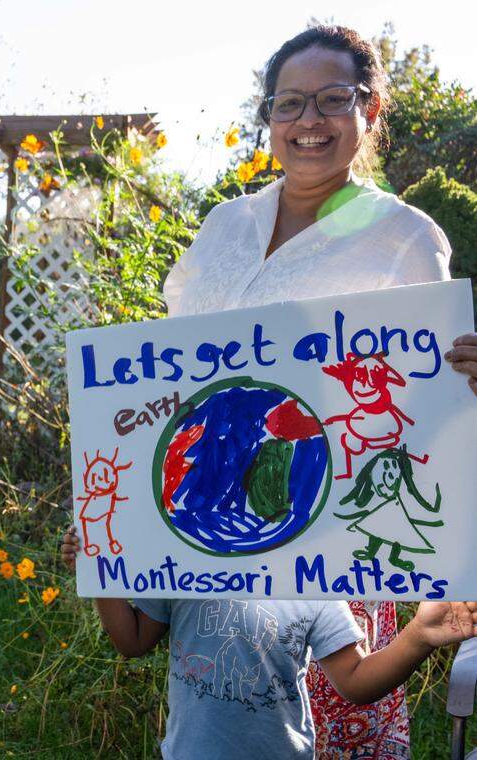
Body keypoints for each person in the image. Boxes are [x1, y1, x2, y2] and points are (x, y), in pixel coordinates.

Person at [155, 24, 477, 759]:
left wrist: (466, 381)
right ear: (267, 115)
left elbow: (427, 402)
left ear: (370, 108)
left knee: (340, 719)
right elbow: (173, 364)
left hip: (333, 531)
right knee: (232, 709)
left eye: (333, 99)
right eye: (289, 103)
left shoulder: (402, 235)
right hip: (218, 523)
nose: (309, 121)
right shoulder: (224, 228)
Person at [61, 528, 477, 760]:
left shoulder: (311, 579)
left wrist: (419, 636)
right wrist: (97, 572)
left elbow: (354, 679)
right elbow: (131, 640)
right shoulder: (182, 560)